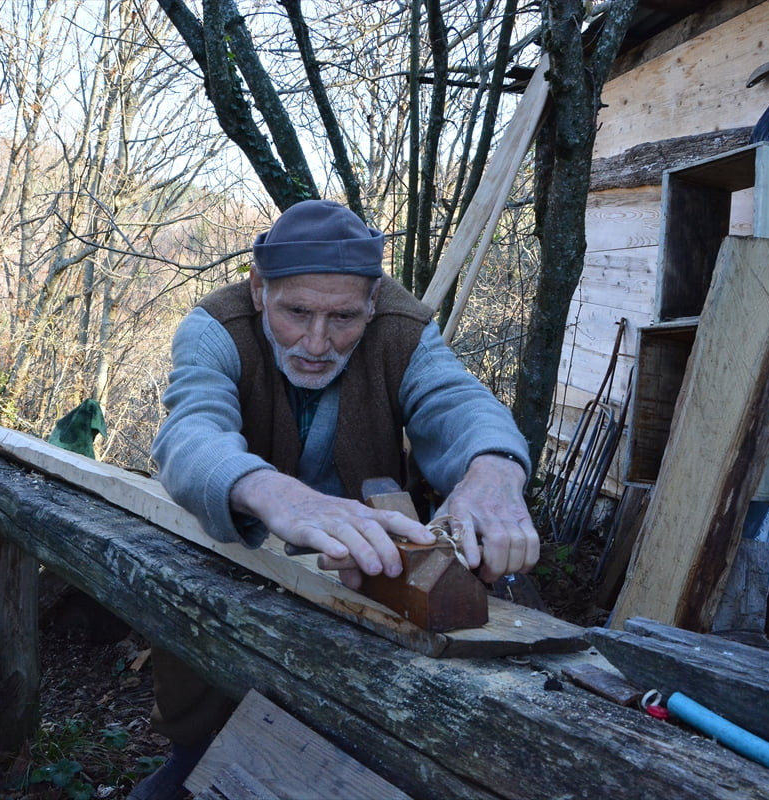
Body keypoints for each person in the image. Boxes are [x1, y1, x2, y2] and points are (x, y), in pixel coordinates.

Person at [130, 199, 539, 799]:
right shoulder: (213, 329)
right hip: (242, 536)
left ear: (372, 303)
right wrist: (274, 494)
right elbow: (190, 435)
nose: (317, 342)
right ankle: (192, 753)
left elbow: (460, 406)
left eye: (344, 318)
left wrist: (494, 471)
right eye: (296, 312)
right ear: (257, 290)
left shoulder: (403, 330)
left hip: (362, 560)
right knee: (196, 613)